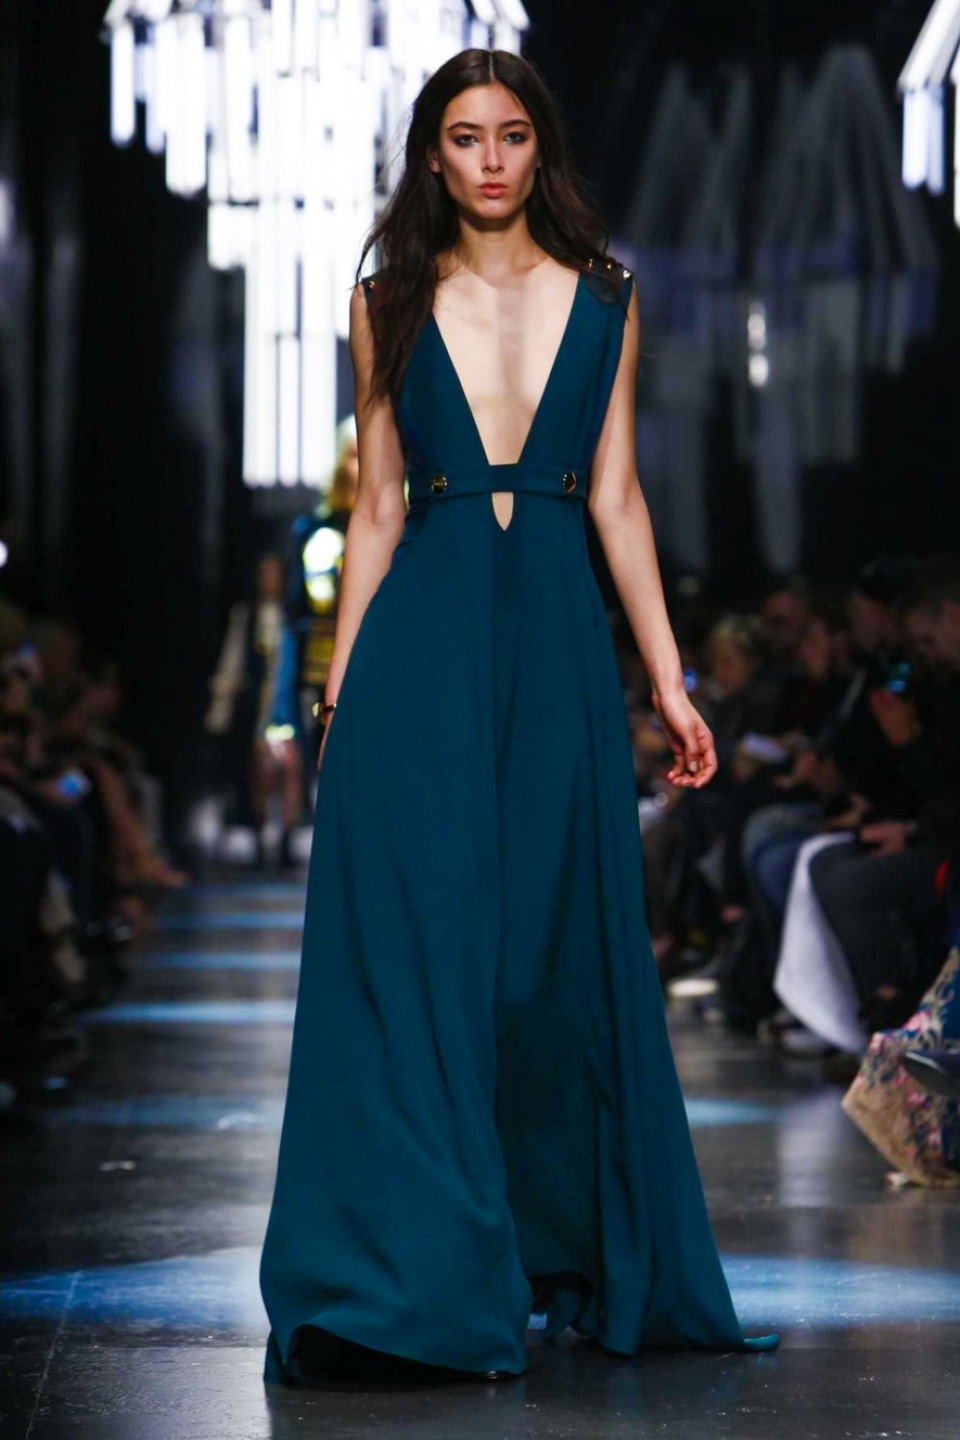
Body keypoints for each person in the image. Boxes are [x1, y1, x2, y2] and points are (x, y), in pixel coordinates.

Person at [259, 47, 778, 1385]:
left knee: (547, 955)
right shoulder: (384, 299)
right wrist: (336, 689)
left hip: (554, 647)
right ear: (432, 155)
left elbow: (617, 496)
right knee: (425, 953)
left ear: (539, 148)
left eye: (511, 135)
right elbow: (379, 507)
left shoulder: (607, 295)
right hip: (419, 652)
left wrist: (669, 680)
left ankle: (555, 1248)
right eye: (463, 136)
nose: (489, 159)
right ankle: (423, 1274)